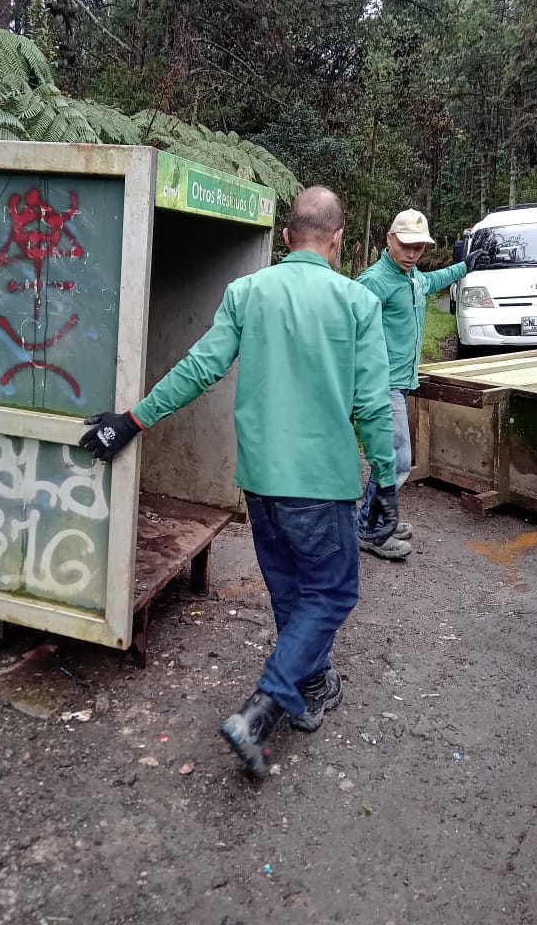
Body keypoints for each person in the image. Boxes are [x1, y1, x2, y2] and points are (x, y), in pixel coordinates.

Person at [79, 186, 398, 779]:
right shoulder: (358, 303)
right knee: (331, 593)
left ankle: (311, 686)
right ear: (337, 239)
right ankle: (266, 705)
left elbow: (201, 368)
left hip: (259, 480)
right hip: (321, 485)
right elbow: (374, 407)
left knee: (289, 592)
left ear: (285, 236)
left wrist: (132, 421)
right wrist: (386, 477)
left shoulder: (247, 292)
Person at [355, 208, 484, 560]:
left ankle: (378, 519)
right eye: (406, 245)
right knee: (396, 461)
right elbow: (346, 326)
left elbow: (434, 279)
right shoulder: (374, 281)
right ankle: (370, 530)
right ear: (389, 240)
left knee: (392, 459)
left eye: (419, 248)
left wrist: (466, 266)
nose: (412, 253)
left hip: (402, 381)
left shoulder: (412, 278)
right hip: (381, 385)